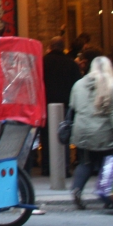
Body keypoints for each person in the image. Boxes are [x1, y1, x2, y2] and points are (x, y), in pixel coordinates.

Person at [68, 55, 113, 209]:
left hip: (82, 131)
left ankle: (76, 189)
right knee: (107, 165)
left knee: (85, 163)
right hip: (104, 133)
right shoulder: (111, 86)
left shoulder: (78, 85)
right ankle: (109, 199)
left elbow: (73, 107)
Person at [41, 37, 79, 176]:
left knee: (46, 136)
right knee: (64, 135)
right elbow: (76, 83)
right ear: (63, 47)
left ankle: (46, 166)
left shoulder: (43, 62)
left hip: (46, 103)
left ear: (50, 46)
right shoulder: (71, 63)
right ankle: (64, 166)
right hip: (65, 103)